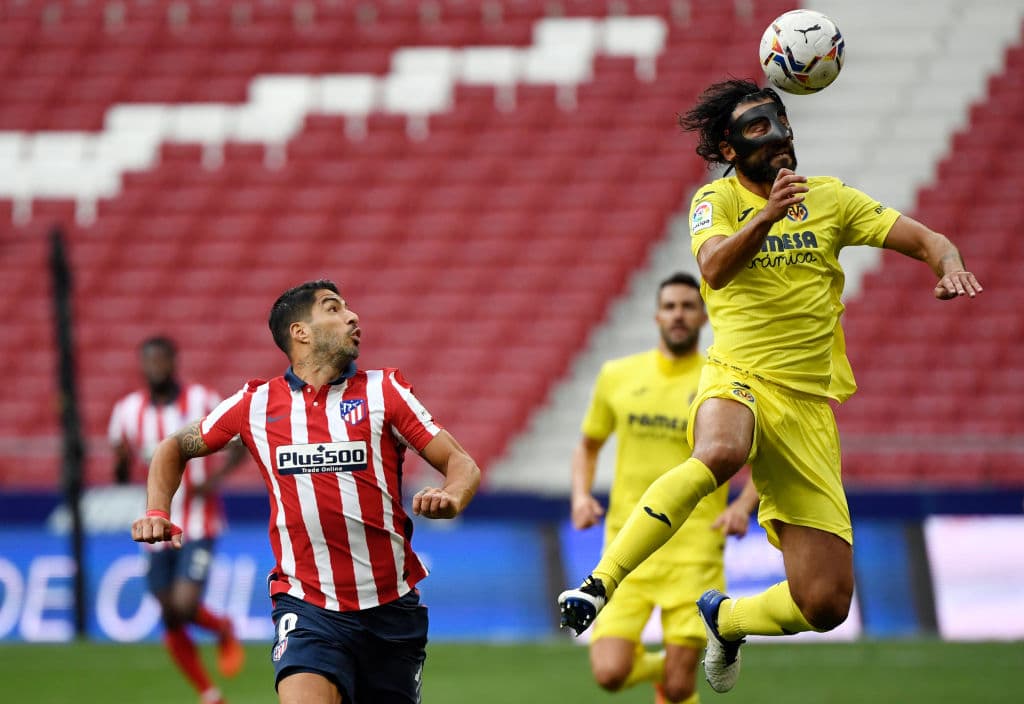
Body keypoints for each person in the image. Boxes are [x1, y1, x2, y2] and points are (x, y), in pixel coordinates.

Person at [558, 78, 982, 693]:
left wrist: (950, 265)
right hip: (739, 375)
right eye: (758, 127)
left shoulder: (831, 199)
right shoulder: (715, 200)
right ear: (729, 149)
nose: (778, 134)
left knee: (826, 602)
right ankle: (601, 582)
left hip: (807, 409)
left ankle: (727, 620)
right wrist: (768, 215)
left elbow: (928, 240)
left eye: (780, 119)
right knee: (720, 451)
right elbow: (713, 267)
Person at [132, 280, 481, 704]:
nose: (352, 316)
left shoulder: (385, 392)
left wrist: (453, 496)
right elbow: (173, 448)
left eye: (347, 308)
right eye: (333, 309)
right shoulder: (255, 404)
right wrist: (157, 510)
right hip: (306, 606)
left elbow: (461, 463)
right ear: (300, 332)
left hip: (390, 610)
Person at [570, 272, 759, 704]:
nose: (678, 315)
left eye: (688, 307)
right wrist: (580, 496)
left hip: (695, 552)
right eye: (670, 307)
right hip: (628, 545)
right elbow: (588, 445)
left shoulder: (721, 382)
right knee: (609, 673)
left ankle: (676, 675)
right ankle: (669, 668)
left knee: (677, 688)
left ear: (704, 317)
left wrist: (742, 506)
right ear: (656, 315)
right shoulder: (617, 375)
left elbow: (762, 457)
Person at [109, 336, 247, 704]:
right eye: (148, 361)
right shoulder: (127, 411)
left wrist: (215, 481)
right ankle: (209, 693)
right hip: (155, 524)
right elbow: (121, 472)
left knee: (184, 605)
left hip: (200, 522)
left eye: (161, 360)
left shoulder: (202, 400)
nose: (155, 367)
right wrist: (120, 462)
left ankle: (223, 628)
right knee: (169, 614)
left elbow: (241, 442)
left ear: (173, 361)